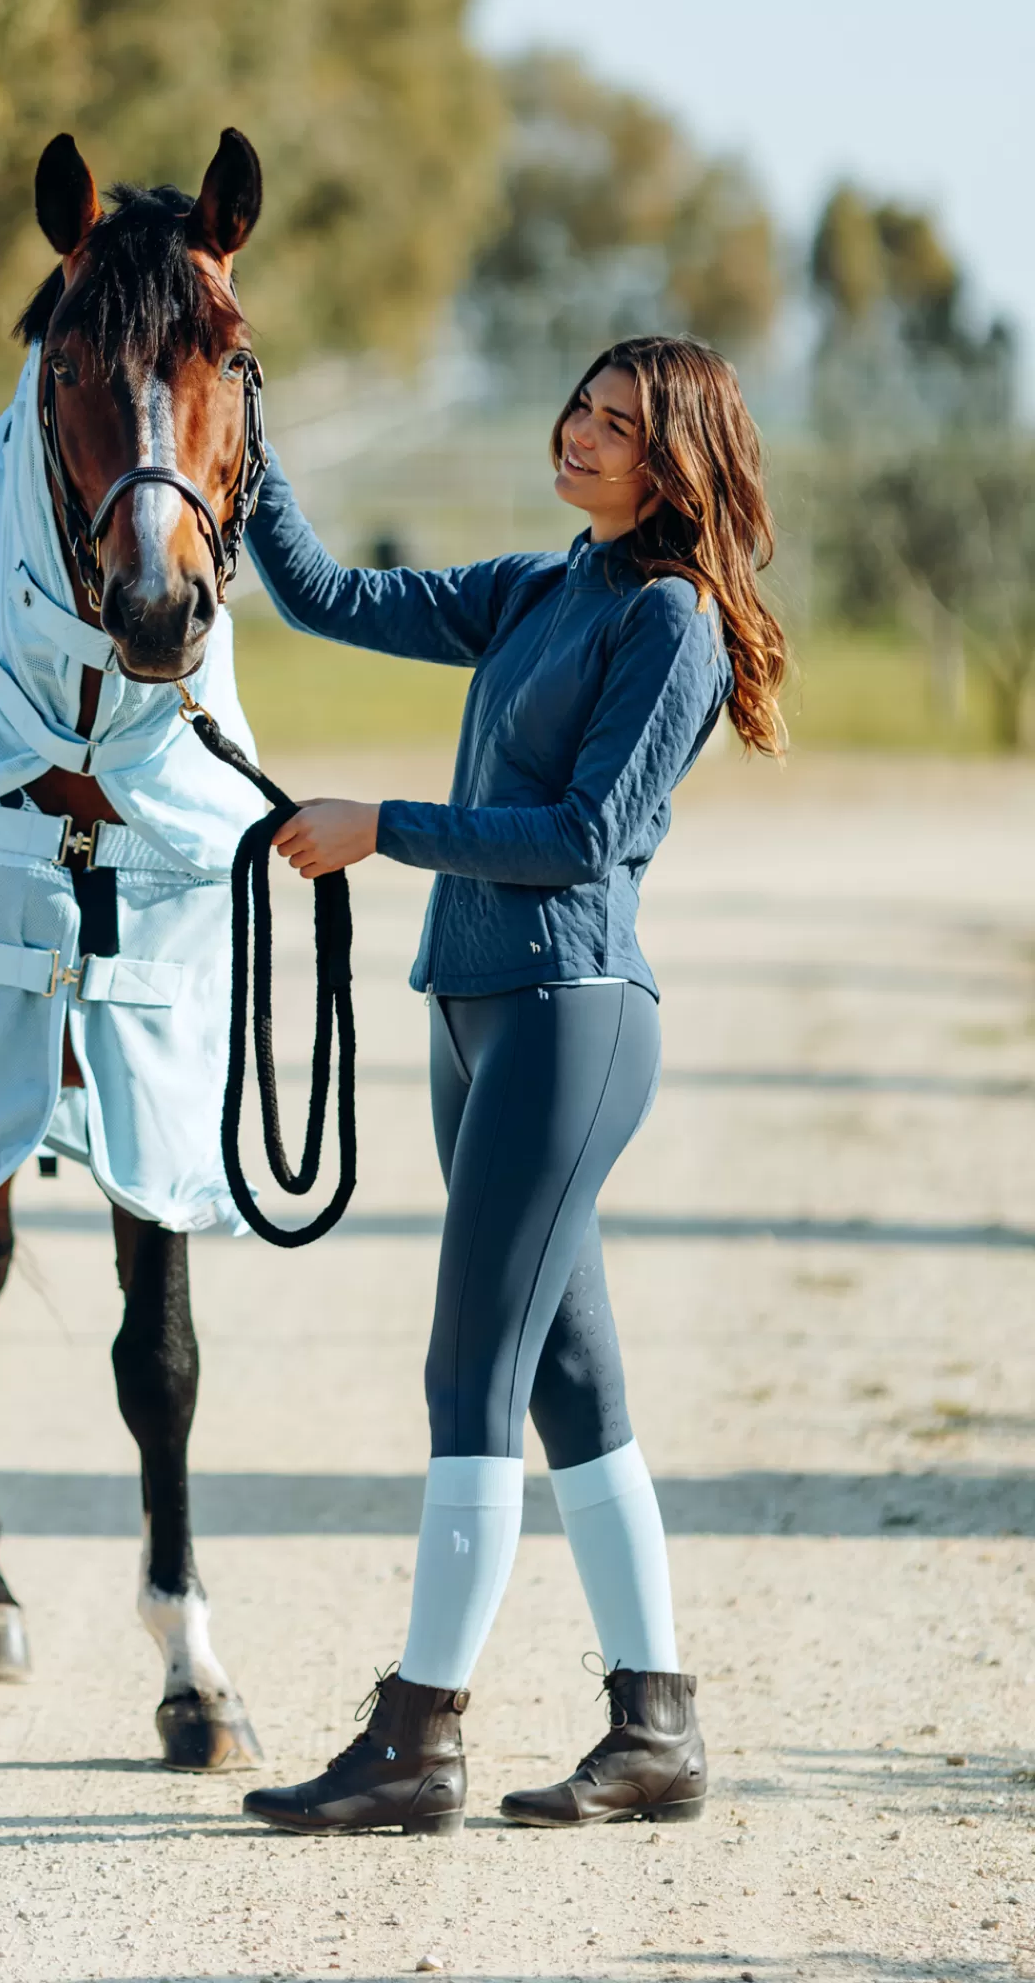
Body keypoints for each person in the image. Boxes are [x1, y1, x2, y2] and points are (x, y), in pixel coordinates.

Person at [237, 336, 786, 1836]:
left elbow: (585, 835)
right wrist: (244, 427)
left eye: (620, 426)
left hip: (569, 1017)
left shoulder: (668, 625)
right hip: (478, 1016)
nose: (583, 435)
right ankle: (655, 1727)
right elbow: (326, 596)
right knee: (573, 1387)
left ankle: (419, 1739)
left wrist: (383, 825)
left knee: (466, 1369)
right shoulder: (543, 590)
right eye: (583, 409)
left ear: (675, 463)